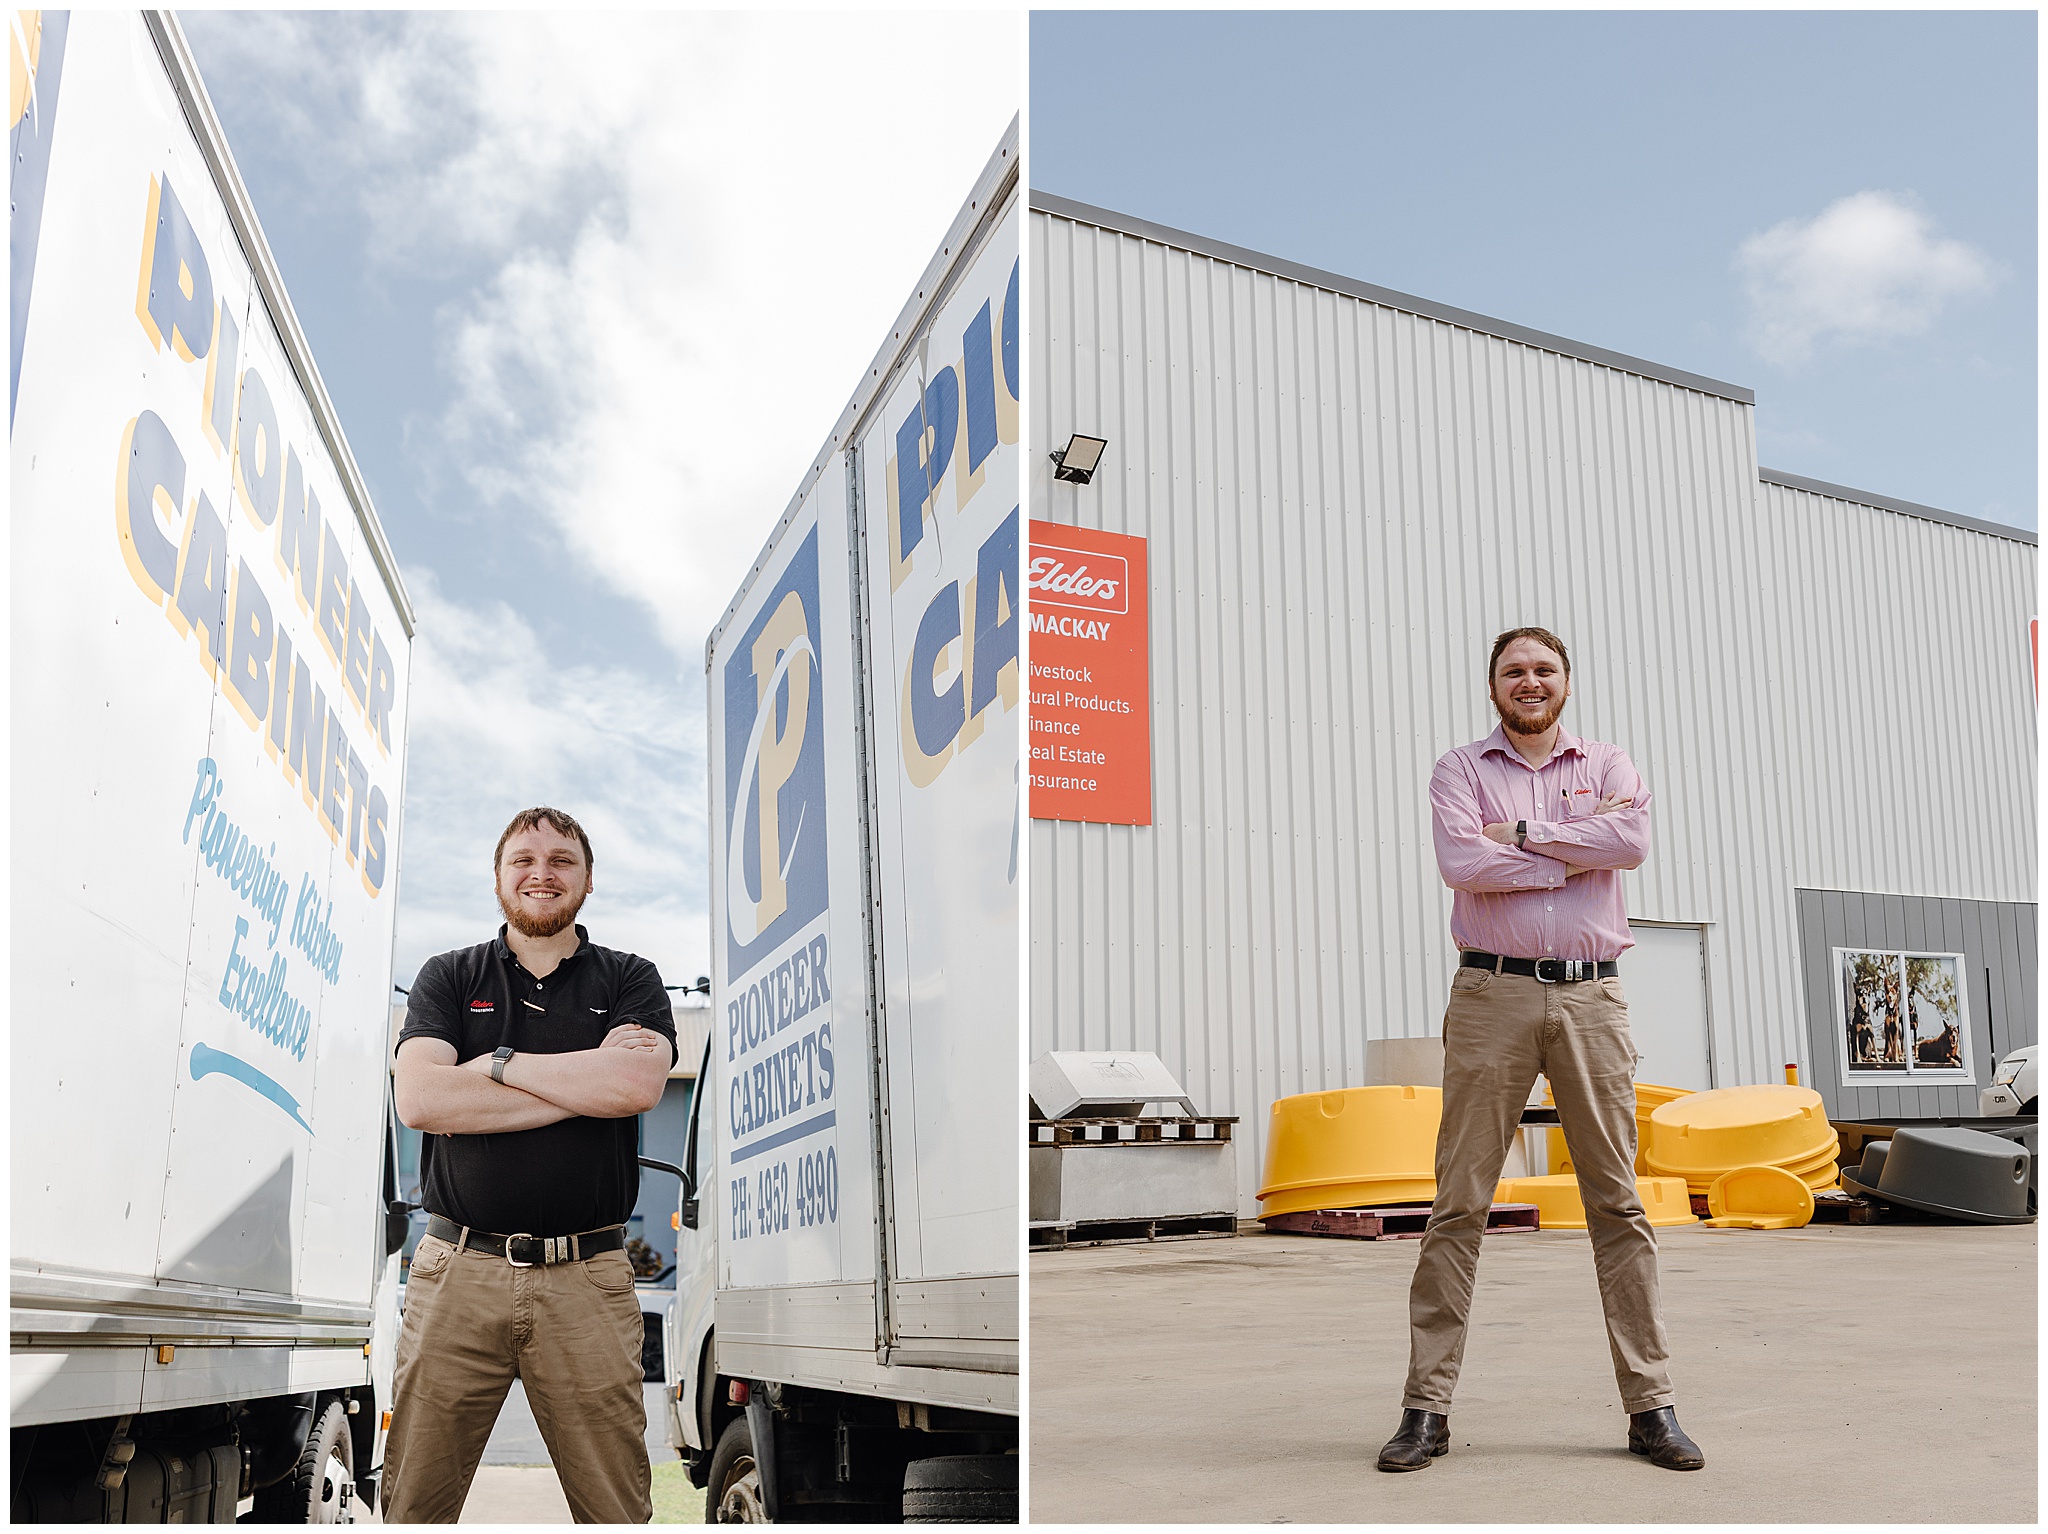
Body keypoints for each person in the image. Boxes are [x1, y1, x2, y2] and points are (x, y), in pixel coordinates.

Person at [1376, 628, 1705, 1474]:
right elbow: (1461, 862)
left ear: (1566, 681)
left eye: (1544, 669)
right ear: (1494, 686)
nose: (1530, 681)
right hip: (1492, 993)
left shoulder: (1609, 761)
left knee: (1618, 1203)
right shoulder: (1459, 768)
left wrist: (1517, 834)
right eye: (1514, 670)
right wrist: (1571, 846)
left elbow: (1628, 844)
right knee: (1459, 1203)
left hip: (1593, 995)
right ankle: (1426, 1410)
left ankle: (1651, 1406)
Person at [381, 807, 677, 1523]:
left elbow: (634, 1087)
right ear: (498, 878)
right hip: (457, 1273)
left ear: (587, 880)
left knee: (615, 1510)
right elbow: (420, 1099)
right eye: (523, 859)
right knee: (414, 1505)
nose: (541, 874)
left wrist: (499, 1067)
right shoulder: (449, 976)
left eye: (561, 860)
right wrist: (582, 1088)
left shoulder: (631, 978)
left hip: (588, 1280)